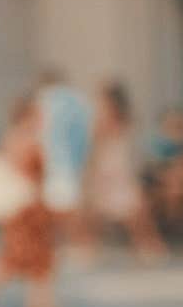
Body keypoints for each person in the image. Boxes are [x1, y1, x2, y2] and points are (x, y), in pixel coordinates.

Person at [0, 95, 60, 307]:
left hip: (26, 211)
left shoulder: (16, 138)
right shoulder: (26, 141)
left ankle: (39, 306)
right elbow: (27, 175)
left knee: (25, 260)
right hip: (27, 210)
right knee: (31, 261)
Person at [84, 81, 168, 263]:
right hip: (112, 163)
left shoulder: (111, 118)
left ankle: (149, 245)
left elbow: (98, 139)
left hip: (114, 164)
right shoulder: (118, 118)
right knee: (100, 210)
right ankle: (91, 246)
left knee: (132, 210)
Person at [36, 70, 93, 255]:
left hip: (54, 161)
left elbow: (42, 133)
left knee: (64, 207)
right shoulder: (78, 101)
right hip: (71, 161)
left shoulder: (46, 100)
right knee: (64, 205)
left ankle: (80, 243)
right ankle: (68, 243)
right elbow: (84, 134)